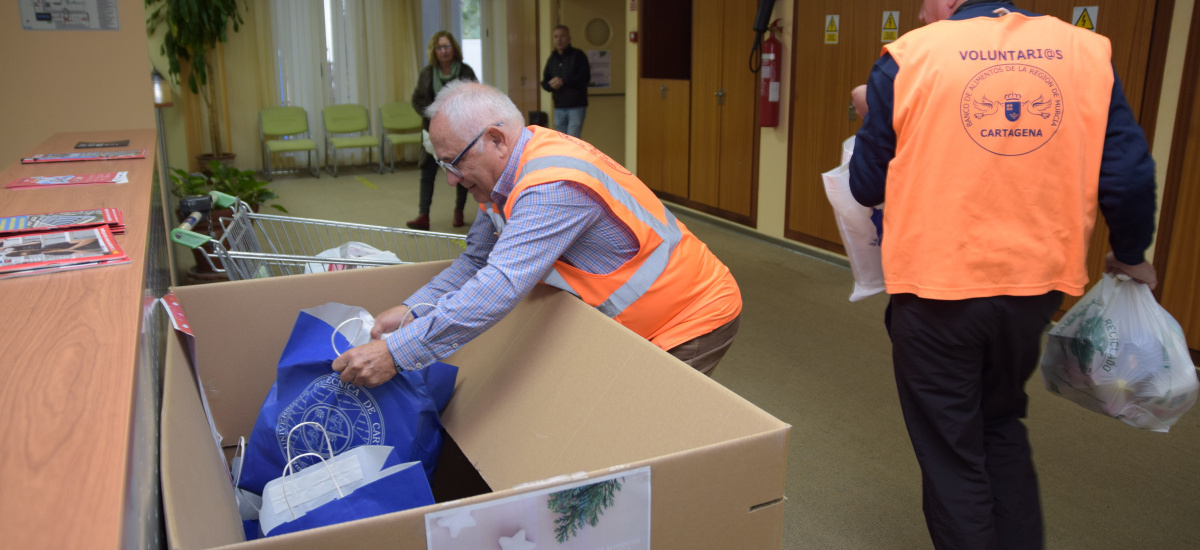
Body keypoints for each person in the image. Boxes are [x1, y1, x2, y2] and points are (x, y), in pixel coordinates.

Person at [848, 1, 1158, 549]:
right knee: (1001, 423)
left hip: (934, 290)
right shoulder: (1086, 50)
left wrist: (875, 114)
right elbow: (1128, 176)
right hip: (1033, 288)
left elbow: (867, 186)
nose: (921, 14)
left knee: (951, 450)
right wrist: (1130, 253)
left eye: (923, 3)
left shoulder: (908, 57)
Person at [334, 81, 743, 387]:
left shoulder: (551, 187)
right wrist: (412, 309)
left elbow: (499, 284)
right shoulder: (506, 173)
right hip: (637, 320)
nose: (451, 182)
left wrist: (397, 353)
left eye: (453, 164)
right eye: (444, 167)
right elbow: (477, 261)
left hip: (690, 314)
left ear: (495, 139)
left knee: (642, 434)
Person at [407, 31, 477, 231]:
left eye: (447, 46)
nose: (444, 51)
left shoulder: (465, 71)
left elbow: (475, 97)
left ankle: (459, 211)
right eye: (440, 47)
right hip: (432, 130)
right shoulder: (428, 73)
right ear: (434, 51)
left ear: (454, 48)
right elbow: (417, 100)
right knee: (427, 173)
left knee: (460, 172)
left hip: (459, 130)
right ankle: (423, 215)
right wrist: (434, 111)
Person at [541, 25, 590, 138]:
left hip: (576, 107)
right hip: (558, 107)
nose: (559, 39)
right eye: (556, 36)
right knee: (561, 142)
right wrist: (551, 85)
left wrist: (563, 81)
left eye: (562, 36)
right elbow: (545, 82)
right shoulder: (552, 58)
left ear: (569, 38)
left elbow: (585, 78)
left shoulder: (578, 55)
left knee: (573, 141)